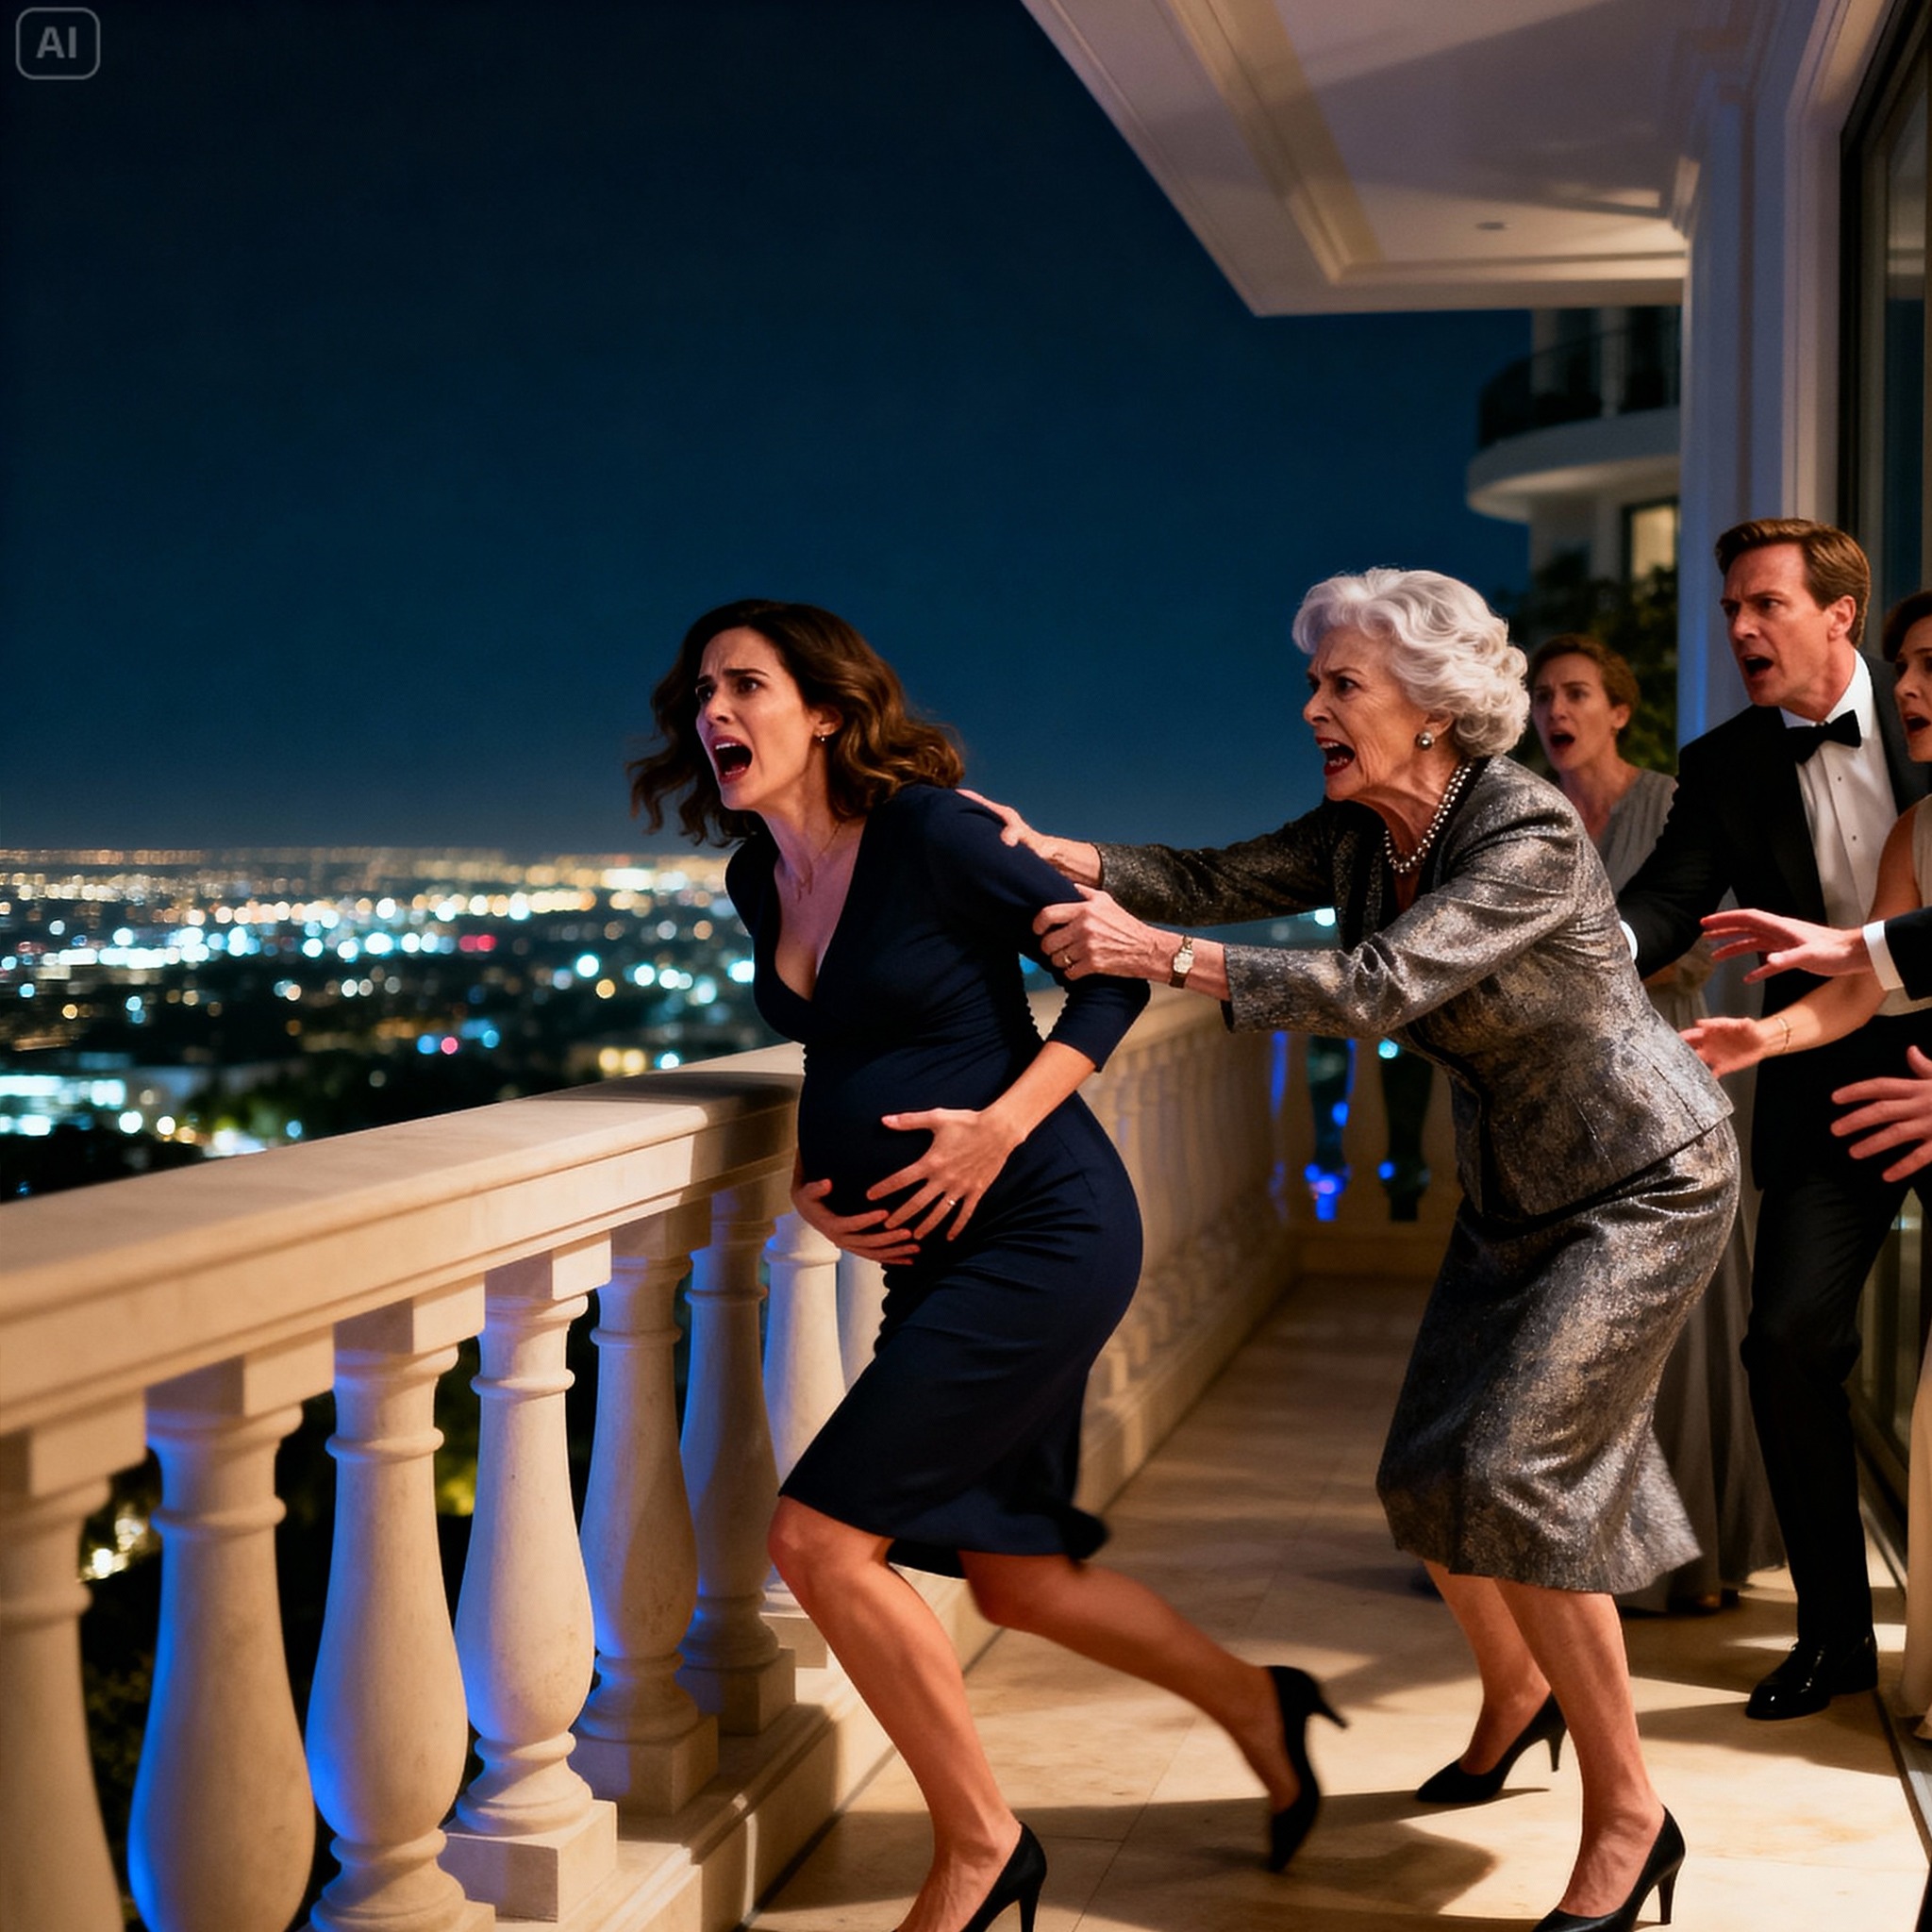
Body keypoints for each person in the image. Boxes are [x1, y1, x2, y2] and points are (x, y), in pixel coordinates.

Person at [975, 568, 1736, 1932]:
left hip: (1641, 1179)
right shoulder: (1362, 833)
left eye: (1342, 684)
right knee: (1424, 1477)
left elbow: (1378, 987)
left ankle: (1632, 1814)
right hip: (1513, 1187)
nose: (1311, 706)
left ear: (1432, 710)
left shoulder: (1523, 829)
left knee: (1512, 1474)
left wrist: (1164, 959)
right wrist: (1057, 851)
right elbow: (1212, 876)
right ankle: (1517, 1693)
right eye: (1314, 681)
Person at [628, 598, 1339, 1932]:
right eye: (700, 692)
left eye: (744, 685)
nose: (712, 711)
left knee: (819, 1540)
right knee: (1018, 1575)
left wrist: (999, 1127)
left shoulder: (930, 831)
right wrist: (813, 1177)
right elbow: (844, 1041)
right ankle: (1261, 1703)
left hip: (1039, 1227)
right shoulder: (757, 878)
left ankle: (981, 1847)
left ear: (826, 710)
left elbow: (1113, 972)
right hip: (930, 1254)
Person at [1618, 520, 1930, 1722]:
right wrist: (1596, 945)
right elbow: (1668, 898)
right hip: (1822, 1062)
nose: (1739, 627)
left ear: (1837, 614)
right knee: (1787, 1342)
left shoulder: (1921, 714)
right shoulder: (1725, 762)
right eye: (1729, 609)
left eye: (1764, 604)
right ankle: (1833, 1634)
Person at [1527, 634, 1780, 1613]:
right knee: (1565, 1322)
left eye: (1576, 693)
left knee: (1672, 1319)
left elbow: (1704, 941)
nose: (1556, 710)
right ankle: (1556, 1551)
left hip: (1662, 1072)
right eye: (1543, 695)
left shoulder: (1672, 803)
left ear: (1618, 709)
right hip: (1556, 1089)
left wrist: (1583, 960)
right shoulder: (1531, 815)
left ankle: (1679, 1561)